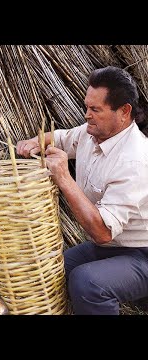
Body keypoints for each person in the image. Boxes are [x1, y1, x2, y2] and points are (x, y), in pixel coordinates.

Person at [16, 66, 148, 315]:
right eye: (87, 107)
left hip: (142, 253)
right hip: (111, 248)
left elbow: (102, 232)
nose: (87, 115)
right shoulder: (93, 133)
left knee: (89, 283)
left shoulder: (136, 161)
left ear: (124, 112)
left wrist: (64, 178)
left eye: (95, 109)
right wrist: (35, 142)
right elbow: (60, 138)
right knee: (51, 270)